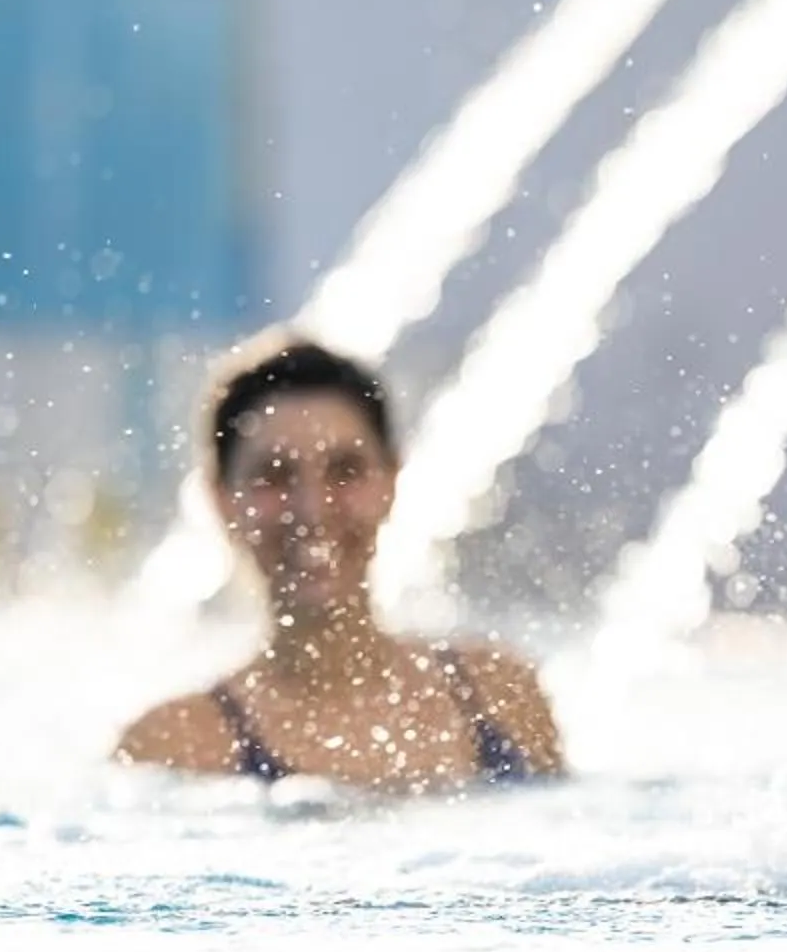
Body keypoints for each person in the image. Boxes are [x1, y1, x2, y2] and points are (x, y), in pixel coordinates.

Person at [114, 334, 564, 792]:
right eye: (274, 476)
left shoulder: (500, 696)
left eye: (345, 470)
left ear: (390, 481)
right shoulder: (177, 746)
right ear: (222, 500)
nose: (312, 510)